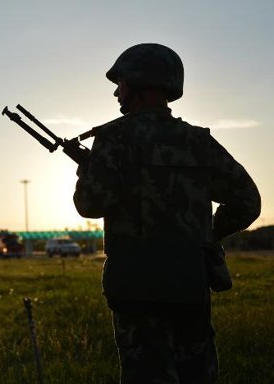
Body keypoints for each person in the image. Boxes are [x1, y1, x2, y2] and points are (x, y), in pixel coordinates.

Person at [73, 43, 261, 383]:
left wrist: (88, 171)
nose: (117, 92)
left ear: (139, 83)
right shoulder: (198, 142)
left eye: (122, 83)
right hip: (189, 281)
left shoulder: (114, 138)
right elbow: (247, 201)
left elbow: (90, 205)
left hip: (135, 287)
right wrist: (205, 235)